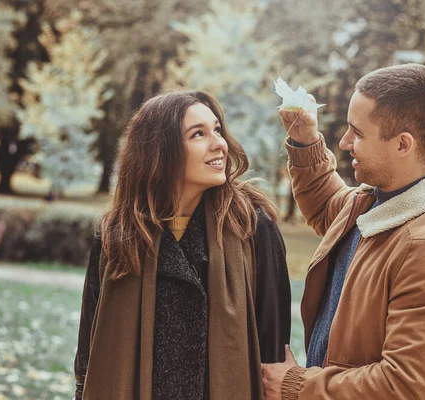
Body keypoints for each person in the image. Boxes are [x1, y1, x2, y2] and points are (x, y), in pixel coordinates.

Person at [261, 63, 425, 399]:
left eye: (357, 133)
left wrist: (295, 386)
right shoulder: (376, 203)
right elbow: (327, 202)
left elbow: (401, 387)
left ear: (403, 144)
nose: (344, 142)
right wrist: (305, 140)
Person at [74, 90, 291, 400]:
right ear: (162, 151)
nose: (219, 143)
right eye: (198, 134)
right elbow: (89, 347)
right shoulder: (119, 232)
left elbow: (273, 347)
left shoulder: (253, 226)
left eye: (217, 129)